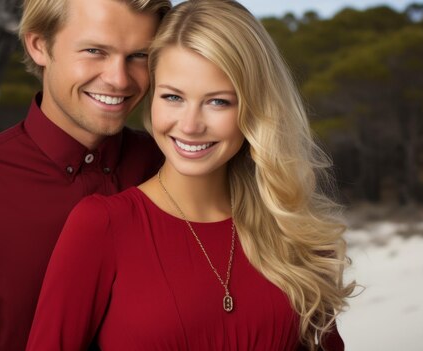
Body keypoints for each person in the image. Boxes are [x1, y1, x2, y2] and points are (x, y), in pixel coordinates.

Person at [25, 0, 356, 350]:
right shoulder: (101, 226)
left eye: (218, 102)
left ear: (256, 108)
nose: (190, 125)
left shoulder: (290, 228)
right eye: (173, 97)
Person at [0, 0, 171, 349]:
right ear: (39, 45)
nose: (119, 79)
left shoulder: (171, 167)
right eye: (95, 50)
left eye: (139, 56)